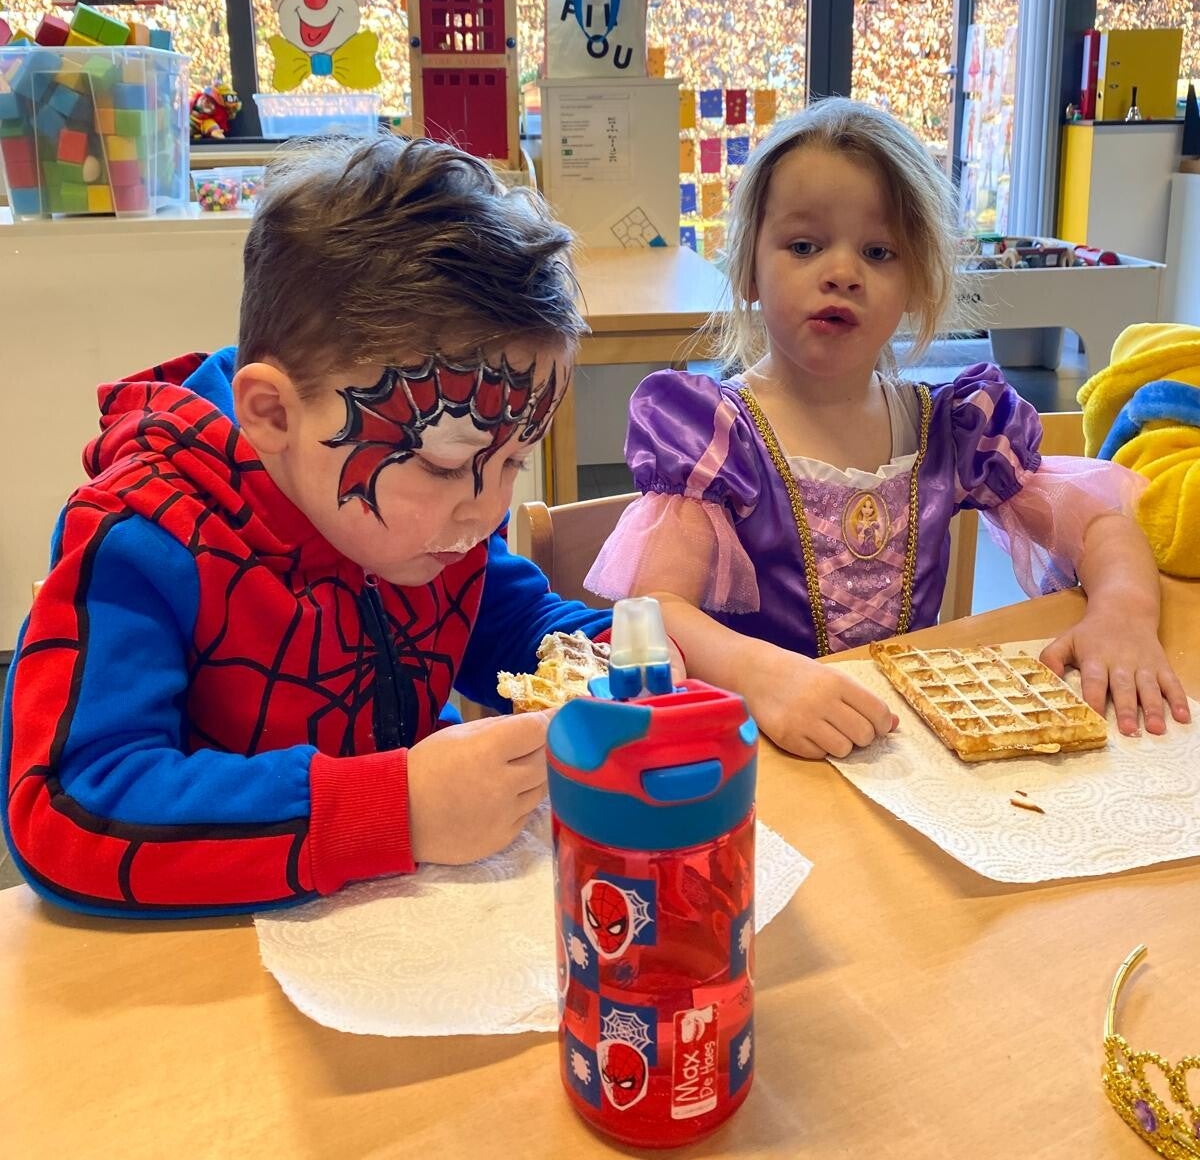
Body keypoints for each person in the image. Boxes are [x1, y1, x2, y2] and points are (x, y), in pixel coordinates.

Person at [1, 134, 617, 918]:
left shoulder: (437, 525)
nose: (485, 507)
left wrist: (622, 659)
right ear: (272, 414)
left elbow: (516, 624)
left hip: (401, 919)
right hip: (208, 946)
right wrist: (397, 808)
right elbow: (65, 806)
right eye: (444, 464)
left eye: (514, 461)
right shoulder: (144, 539)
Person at [587, 101, 1191, 759]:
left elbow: (1103, 526)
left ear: (918, 282)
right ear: (748, 269)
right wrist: (756, 675)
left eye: (878, 252)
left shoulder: (955, 430)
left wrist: (1123, 613)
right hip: (762, 759)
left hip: (901, 755)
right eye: (804, 246)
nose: (842, 272)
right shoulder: (714, 437)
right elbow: (654, 609)